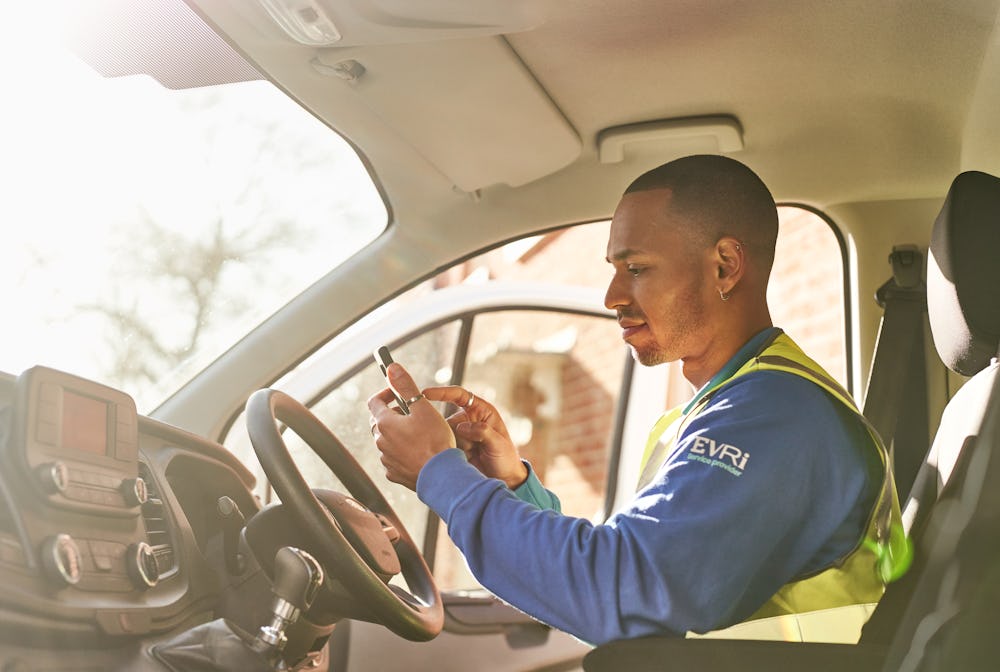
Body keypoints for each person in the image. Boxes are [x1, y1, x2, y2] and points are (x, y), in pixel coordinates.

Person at [368, 154, 908, 646]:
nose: (612, 298)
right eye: (612, 270)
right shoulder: (722, 408)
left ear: (724, 266)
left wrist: (440, 473)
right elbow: (628, 564)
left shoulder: (774, 417)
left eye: (637, 269)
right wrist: (509, 483)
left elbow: (626, 592)